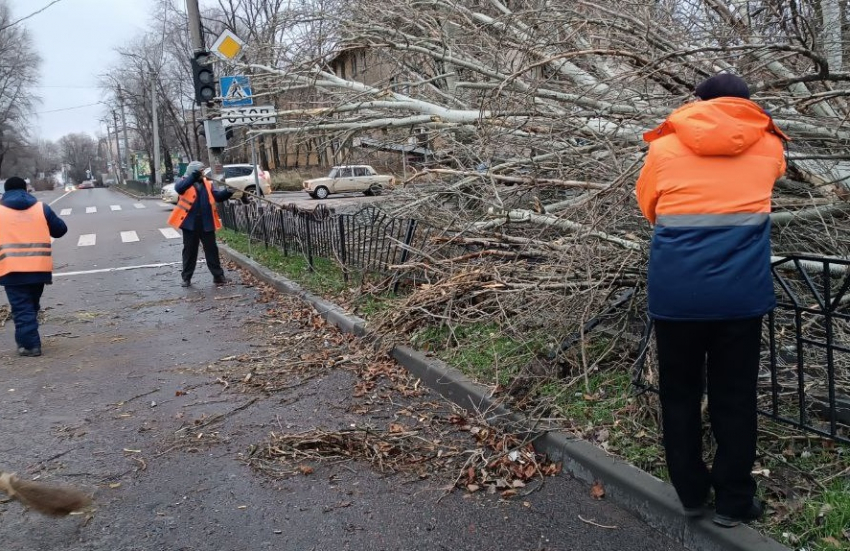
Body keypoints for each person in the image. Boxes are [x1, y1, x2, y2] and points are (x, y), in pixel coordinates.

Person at [635, 73, 787, 528]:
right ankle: (735, 500)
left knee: (679, 395)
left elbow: (650, 207)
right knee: (735, 398)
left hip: (677, 296)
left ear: (697, 101)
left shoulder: (663, 147)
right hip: (741, 296)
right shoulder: (770, 146)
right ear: (747, 104)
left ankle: (690, 492)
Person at [0, 176, 68, 356]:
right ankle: (28, 340)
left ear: (5, 192)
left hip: (11, 269)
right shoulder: (41, 208)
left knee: (22, 308)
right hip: (39, 268)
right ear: (26, 189)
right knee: (30, 306)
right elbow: (60, 230)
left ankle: (30, 346)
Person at [168, 161, 233, 287]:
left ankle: (218, 276)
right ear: (194, 172)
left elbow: (217, 197)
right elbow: (179, 188)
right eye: (201, 171)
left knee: (212, 250)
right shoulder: (184, 182)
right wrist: (193, 176)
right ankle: (186, 278)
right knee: (189, 251)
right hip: (189, 223)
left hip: (206, 222)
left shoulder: (207, 184)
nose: (203, 173)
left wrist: (228, 192)